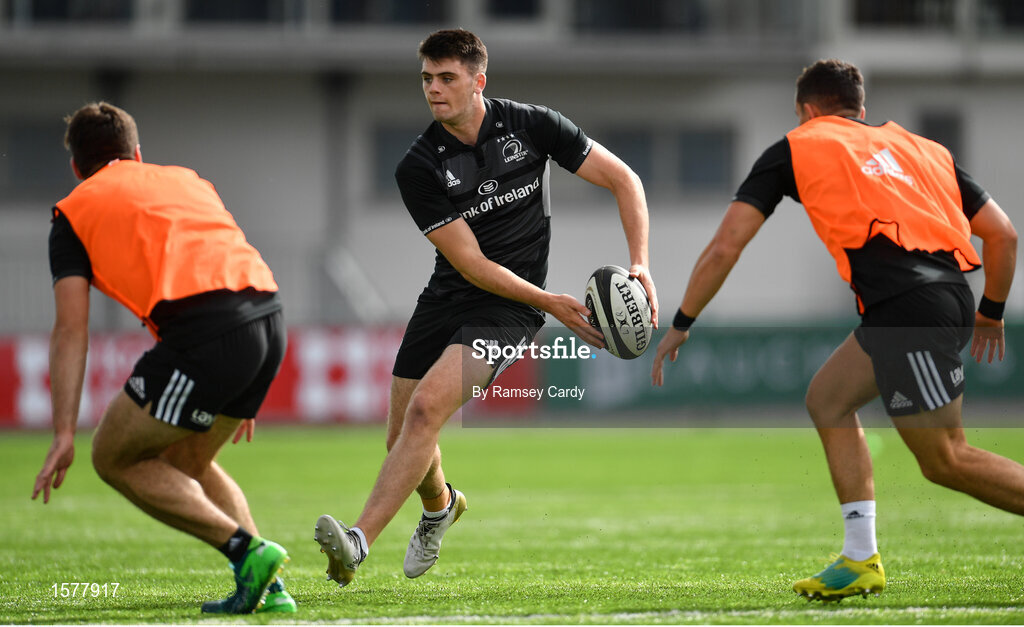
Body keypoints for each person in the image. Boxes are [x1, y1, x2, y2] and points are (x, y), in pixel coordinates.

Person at [651, 59, 1018, 601]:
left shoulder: (797, 146)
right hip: (935, 299)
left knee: (947, 459)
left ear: (805, 110)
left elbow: (727, 244)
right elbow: (1003, 236)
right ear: (860, 111)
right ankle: (859, 557)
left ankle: (861, 557)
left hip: (906, 311)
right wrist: (990, 311)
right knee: (827, 398)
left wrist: (682, 321)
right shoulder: (924, 149)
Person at [315, 28, 658, 586]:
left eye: (447, 78)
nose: (433, 89)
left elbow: (626, 181)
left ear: (479, 81)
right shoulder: (418, 166)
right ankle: (440, 507)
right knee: (401, 434)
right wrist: (553, 300)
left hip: (511, 309)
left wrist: (640, 264)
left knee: (425, 412)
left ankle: (358, 541)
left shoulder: (532, 125)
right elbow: (471, 264)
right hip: (450, 296)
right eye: (426, 78)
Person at [32, 102, 295, 614]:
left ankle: (248, 551)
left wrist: (64, 431)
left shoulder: (74, 211)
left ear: (76, 168)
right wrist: (242, 383)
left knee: (111, 456)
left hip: (205, 334)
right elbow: (221, 253)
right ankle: (269, 591)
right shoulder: (186, 179)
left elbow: (70, 330)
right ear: (137, 154)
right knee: (187, 459)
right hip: (268, 318)